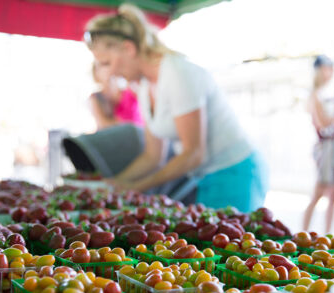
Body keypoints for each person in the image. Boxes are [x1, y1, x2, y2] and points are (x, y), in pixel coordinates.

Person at [83, 4, 268, 212]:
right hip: (204, 176)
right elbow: (153, 157)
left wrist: (133, 187)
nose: (108, 74)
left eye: (106, 63)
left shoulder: (178, 72)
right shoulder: (144, 87)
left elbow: (193, 153)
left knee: (229, 243)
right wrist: (114, 183)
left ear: (129, 48)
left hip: (235, 173)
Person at [302, 55, 334, 233]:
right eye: (326, 68)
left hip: (331, 147)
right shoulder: (315, 95)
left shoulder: (325, 93)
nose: (329, 72)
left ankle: (327, 234)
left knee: (332, 195)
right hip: (325, 147)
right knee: (319, 192)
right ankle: (303, 233)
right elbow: (323, 123)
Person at [88, 62, 143, 130]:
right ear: (96, 73)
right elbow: (103, 124)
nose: (107, 70)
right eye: (102, 66)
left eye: (108, 65)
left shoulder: (128, 92)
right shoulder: (95, 98)